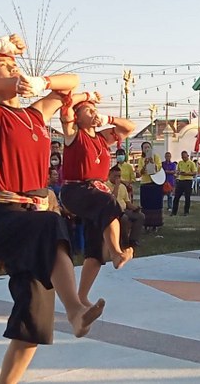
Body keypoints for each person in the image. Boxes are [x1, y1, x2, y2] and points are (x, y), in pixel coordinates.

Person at [0, 33, 104, 382]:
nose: (13, 68)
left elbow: (72, 83)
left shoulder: (36, 114)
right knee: (51, 223)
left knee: (33, 321)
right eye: (4, 67)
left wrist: (43, 82)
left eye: (14, 64)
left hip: (30, 225)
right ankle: (75, 309)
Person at [59, 91, 136, 309]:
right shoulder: (74, 134)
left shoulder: (102, 138)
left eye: (95, 109)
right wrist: (86, 95)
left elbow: (129, 127)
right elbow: (65, 110)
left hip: (95, 193)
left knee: (95, 247)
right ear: (78, 116)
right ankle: (117, 253)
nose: (94, 113)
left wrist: (108, 119)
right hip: (76, 190)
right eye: (88, 110)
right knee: (109, 203)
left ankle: (81, 297)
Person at [108, 165, 145, 248]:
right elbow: (112, 199)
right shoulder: (106, 185)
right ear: (109, 174)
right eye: (115, 176)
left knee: (140, 216)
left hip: (124, 209)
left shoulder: (122, 187)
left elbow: (127, 202)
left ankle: (133, 240)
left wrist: (135, 208)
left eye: (119, 176)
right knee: (124, 219)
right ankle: (124, 242)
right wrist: (116, 186)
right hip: (113, 210)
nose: (117, 178)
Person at [138, 141, 163, 230]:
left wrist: (153, 163)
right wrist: (145, 164)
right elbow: (140, 172)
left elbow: (159, 168)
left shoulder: (156, 157)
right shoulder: (141, 159)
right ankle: (146, 224)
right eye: (145, 147)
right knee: (146, 205)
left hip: (155, 183)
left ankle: (155, 225)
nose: (147, 149)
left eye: (148, 147)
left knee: (155, 205)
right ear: (142, 150)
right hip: (145, 183)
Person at [172, 150, 197, 216]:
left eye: (185, 157)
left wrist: (187, 173)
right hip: (181, 180)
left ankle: (186, 212)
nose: (184, 158)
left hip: (188, 181)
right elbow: (177, 171)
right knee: (176, 197)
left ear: (188, 156)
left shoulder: (191, 163)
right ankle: (174, 212)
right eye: (183, 157)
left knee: (187, 197)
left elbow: (194, 172)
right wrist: (178, 173)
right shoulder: (180, 163)